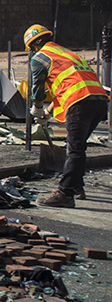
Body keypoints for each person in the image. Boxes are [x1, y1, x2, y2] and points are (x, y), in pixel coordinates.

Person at [25, 24, 108, 208]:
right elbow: (70, 85)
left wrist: (38, 108)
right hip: (98, 100)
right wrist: (47, 112)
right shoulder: (68, 54)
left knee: (75, 149)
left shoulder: (39, 58)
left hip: (79, 101)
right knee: (78, 146)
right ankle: (77, 186)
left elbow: (37, 90)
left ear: (33, 45)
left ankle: (65, 193)